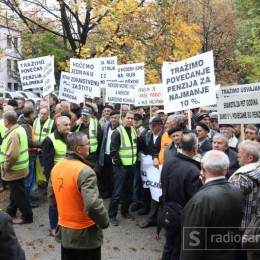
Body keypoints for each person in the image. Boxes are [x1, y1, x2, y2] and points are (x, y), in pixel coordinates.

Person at [48, 132, 109, 260]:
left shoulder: (56, 167)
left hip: (65, 232)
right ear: (78, 149)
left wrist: (65, 214)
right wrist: (104, 221)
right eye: (87, 143)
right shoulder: (85, 171)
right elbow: (92, 204)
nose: (90, 146)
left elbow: (52, 197)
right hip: (85, 234)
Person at [180, 150, 243, 260]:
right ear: (227, 168)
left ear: (202, 168)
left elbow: (191, 245)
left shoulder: (200, 200)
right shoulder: (237, 191)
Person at [160, 133, 202, 260]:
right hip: (183, 215)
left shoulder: (169, 161)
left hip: (168, 211)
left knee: (169, 245)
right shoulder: (194, 170)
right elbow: (195, 198)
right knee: (177, 247)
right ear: (195, 148)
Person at [229, 140, 260, 260]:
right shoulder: (257, 170)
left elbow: (232, 205)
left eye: (240, 153)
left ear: (250, 157)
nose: (237, 155)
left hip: (241, 228)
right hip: (256, 226)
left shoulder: (240, 177)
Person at [0, 111, 33, 224]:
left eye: (3, 119)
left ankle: (27, 216)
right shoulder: (19, 129)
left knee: (19, 194)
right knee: (16, 192)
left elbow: (13, 155)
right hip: (20, 168)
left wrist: (6, 167)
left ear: (7, 121)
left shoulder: (14, 134)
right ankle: (11, 211)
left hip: (14, 169)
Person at [108, 111, 139, 226]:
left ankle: (125, 212)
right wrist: (120, 165)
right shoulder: (117, 132)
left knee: (129, 191)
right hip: (121, 167)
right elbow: (113, 151)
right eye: (128, 118)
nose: (131, 120)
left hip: (131, 166)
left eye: (132, 118)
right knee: (117, 192)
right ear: (122, 118)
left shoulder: (133, 131)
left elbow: (135, 147)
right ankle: (112, 215)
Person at [42, 116, 71, 235]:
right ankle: (54, 226)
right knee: (55, 202)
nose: (68, 127)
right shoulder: (50, 140)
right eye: (65, 125)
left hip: (70, 175)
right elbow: (47, 164)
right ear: (58, 125)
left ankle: (65, 222)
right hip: (57, 177)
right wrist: (51, 180)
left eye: (69, 124)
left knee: (68, 201)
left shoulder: (72, 136)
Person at [19, 107, 42, 208]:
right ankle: (27, 201)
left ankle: (28, 198)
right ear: (31, 114)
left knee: (30, 179)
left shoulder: (25, 124)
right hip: (29, 156)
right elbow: (29, 142)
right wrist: (42, 144)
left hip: (31, 156)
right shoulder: (25, 126)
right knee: (28, 180)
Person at [98, 110, 120, 199]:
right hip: (105, 154)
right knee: (105, 174)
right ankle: (107, 192)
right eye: (112, 118)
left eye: (115, 118)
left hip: (114, 155)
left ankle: (114, 193)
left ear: (119, 118)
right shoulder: (105, 127)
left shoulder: (120, 128)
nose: (113, 119)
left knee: (113, 176)